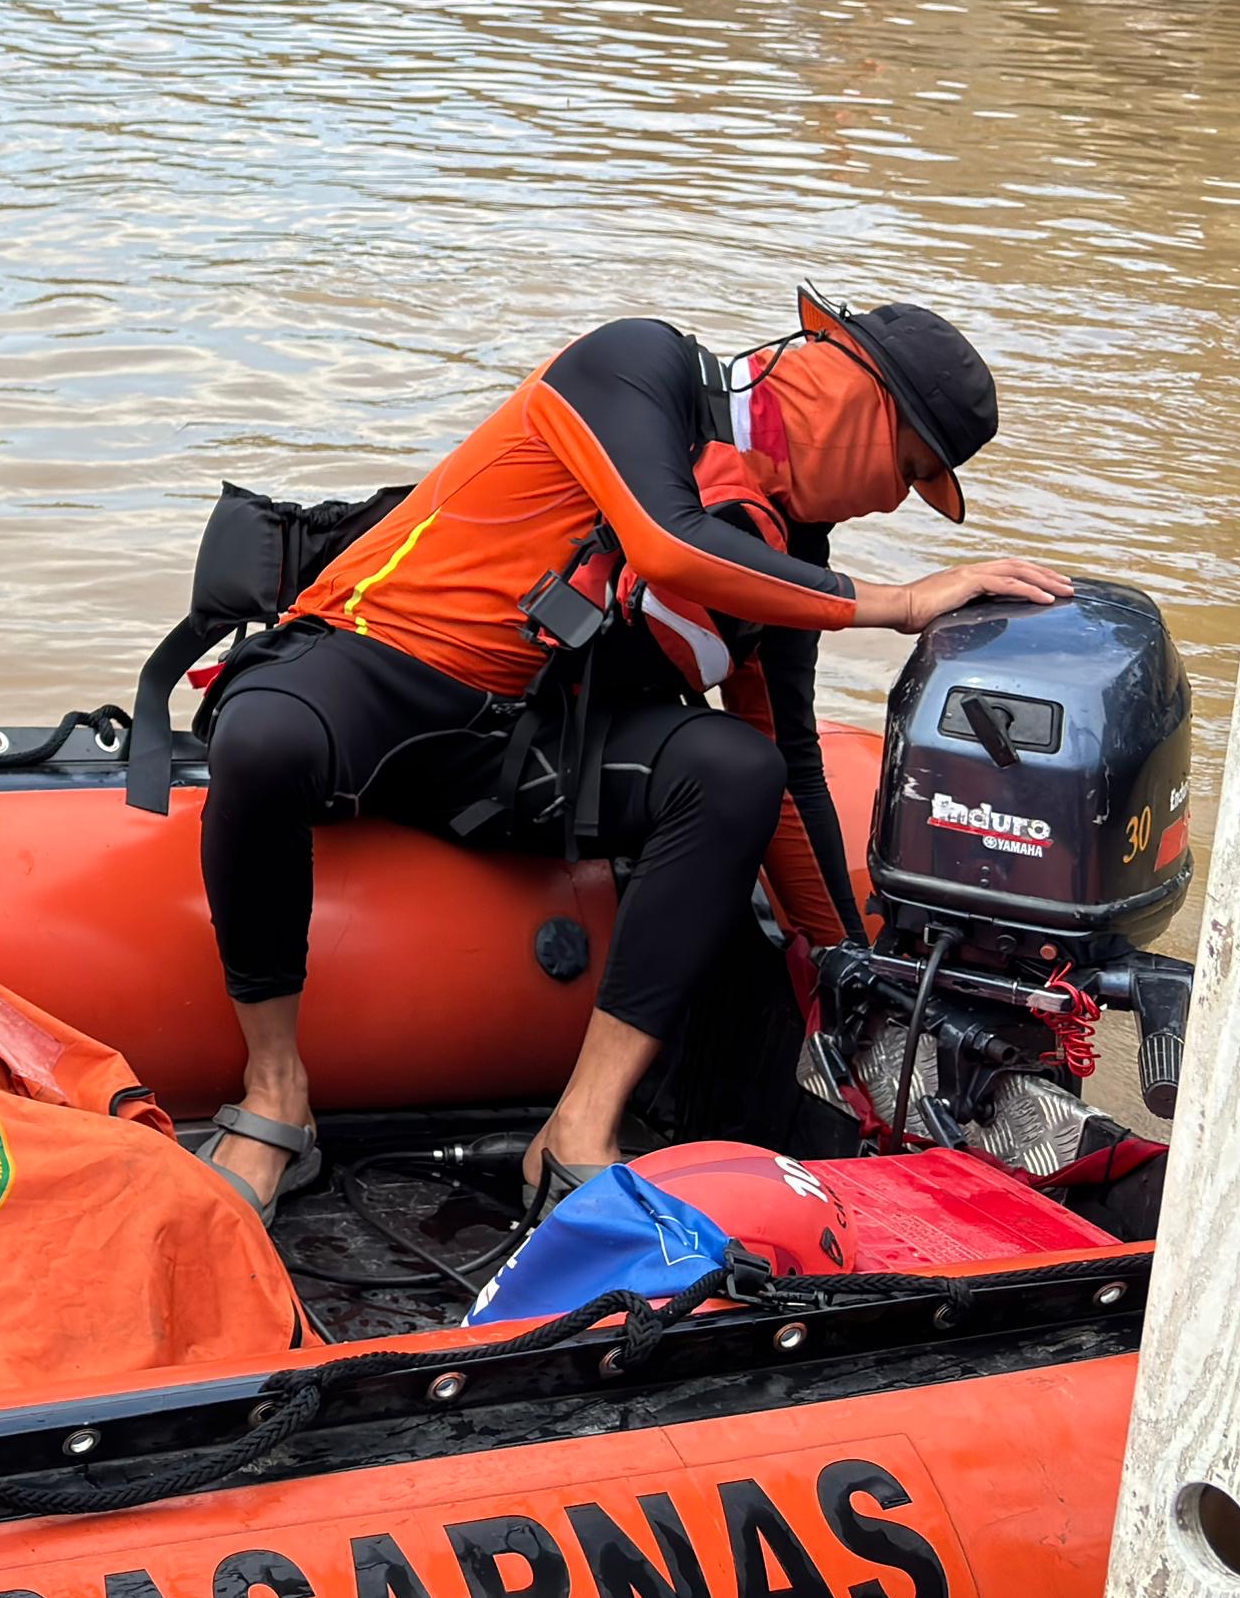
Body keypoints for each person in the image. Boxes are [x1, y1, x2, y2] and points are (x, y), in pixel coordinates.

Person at [185, 300, 1070, 1223]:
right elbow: (666, 542)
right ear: (857, 400)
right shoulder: (635, 367)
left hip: (521, 760)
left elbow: (788, 762)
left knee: (736, 770)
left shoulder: (787, 558)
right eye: (908, 469)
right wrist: (897, 603)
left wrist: (849, 956)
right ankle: (274, 1092)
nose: (892, 501)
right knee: (262, 740)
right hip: (375, 672)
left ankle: (578, 1130)